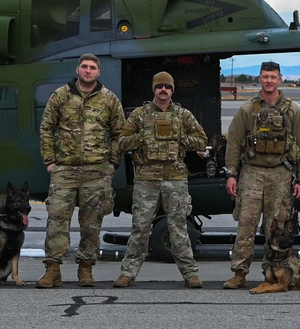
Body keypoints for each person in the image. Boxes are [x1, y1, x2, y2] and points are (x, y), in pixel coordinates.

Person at [36, 53, 125, 288]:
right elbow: (46, 129)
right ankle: (52, 269)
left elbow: (120, 134)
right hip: (64, 170)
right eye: (84, 67)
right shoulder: (60, 96)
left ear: (98, 72)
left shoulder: (109, 100)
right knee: (56, 219)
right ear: (77, 70)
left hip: (96, 172)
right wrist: (50, 161)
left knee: (91, 223)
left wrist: (112, 164)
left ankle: (86, 269)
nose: (88, 71)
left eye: (92, 67)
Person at [113, 71, 207, 289]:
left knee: (179, 228)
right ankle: (128, 273)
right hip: (146, 179)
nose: (163, 90)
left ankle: (190, 273)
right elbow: (121, 142)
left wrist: (181, 138)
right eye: (159, 86)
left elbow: (201, 141)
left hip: (175, 180)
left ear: (172, 90)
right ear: (153, 89)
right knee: (140, 228)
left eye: (167, 86)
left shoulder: (183, 115)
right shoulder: (139, 115)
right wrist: (143, 138)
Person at [222, 61, 300, 289]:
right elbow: (233, 143)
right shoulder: (247, 110)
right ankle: (239, 273)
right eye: (265, 76)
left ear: (279, 79)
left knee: (278, 227)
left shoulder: (292, 111)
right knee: (246, 225)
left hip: (281, 174)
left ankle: (272, 273)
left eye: (273, 76)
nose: (269, 80)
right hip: (251, 173)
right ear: (259, 79)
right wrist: (231, 174)